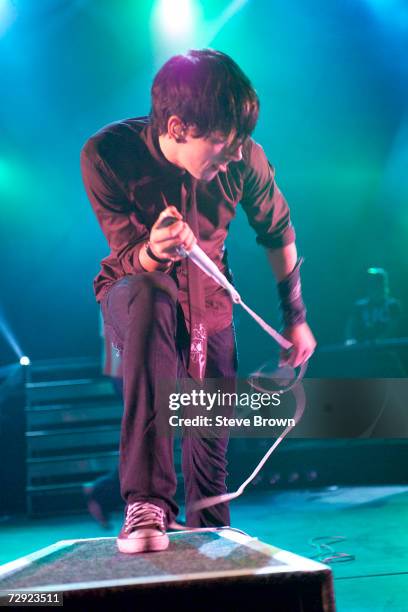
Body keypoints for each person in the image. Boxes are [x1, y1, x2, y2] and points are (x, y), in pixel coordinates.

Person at [80, 49, 316, 554]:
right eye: (223, 144)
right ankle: (146, 502)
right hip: (136, 292)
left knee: (210, 493)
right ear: (178, 126)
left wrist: (296, 319)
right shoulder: (106, 155)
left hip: (210, 303)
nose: (235, 155)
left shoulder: (244, 158)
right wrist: (152, 250)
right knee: (151, 295)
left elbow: (278, 232)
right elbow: (124, 257)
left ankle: (206, 523)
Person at [345, 267, 402, 344]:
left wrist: (380, 340)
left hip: (387, 348)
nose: (373, 286)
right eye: (370, 283)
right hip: (362, 350)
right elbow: (350, 325)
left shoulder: (392, 305)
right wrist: (350, 339)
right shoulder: (359, 306)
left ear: (383, 285)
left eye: (377, 283)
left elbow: (394, 327)